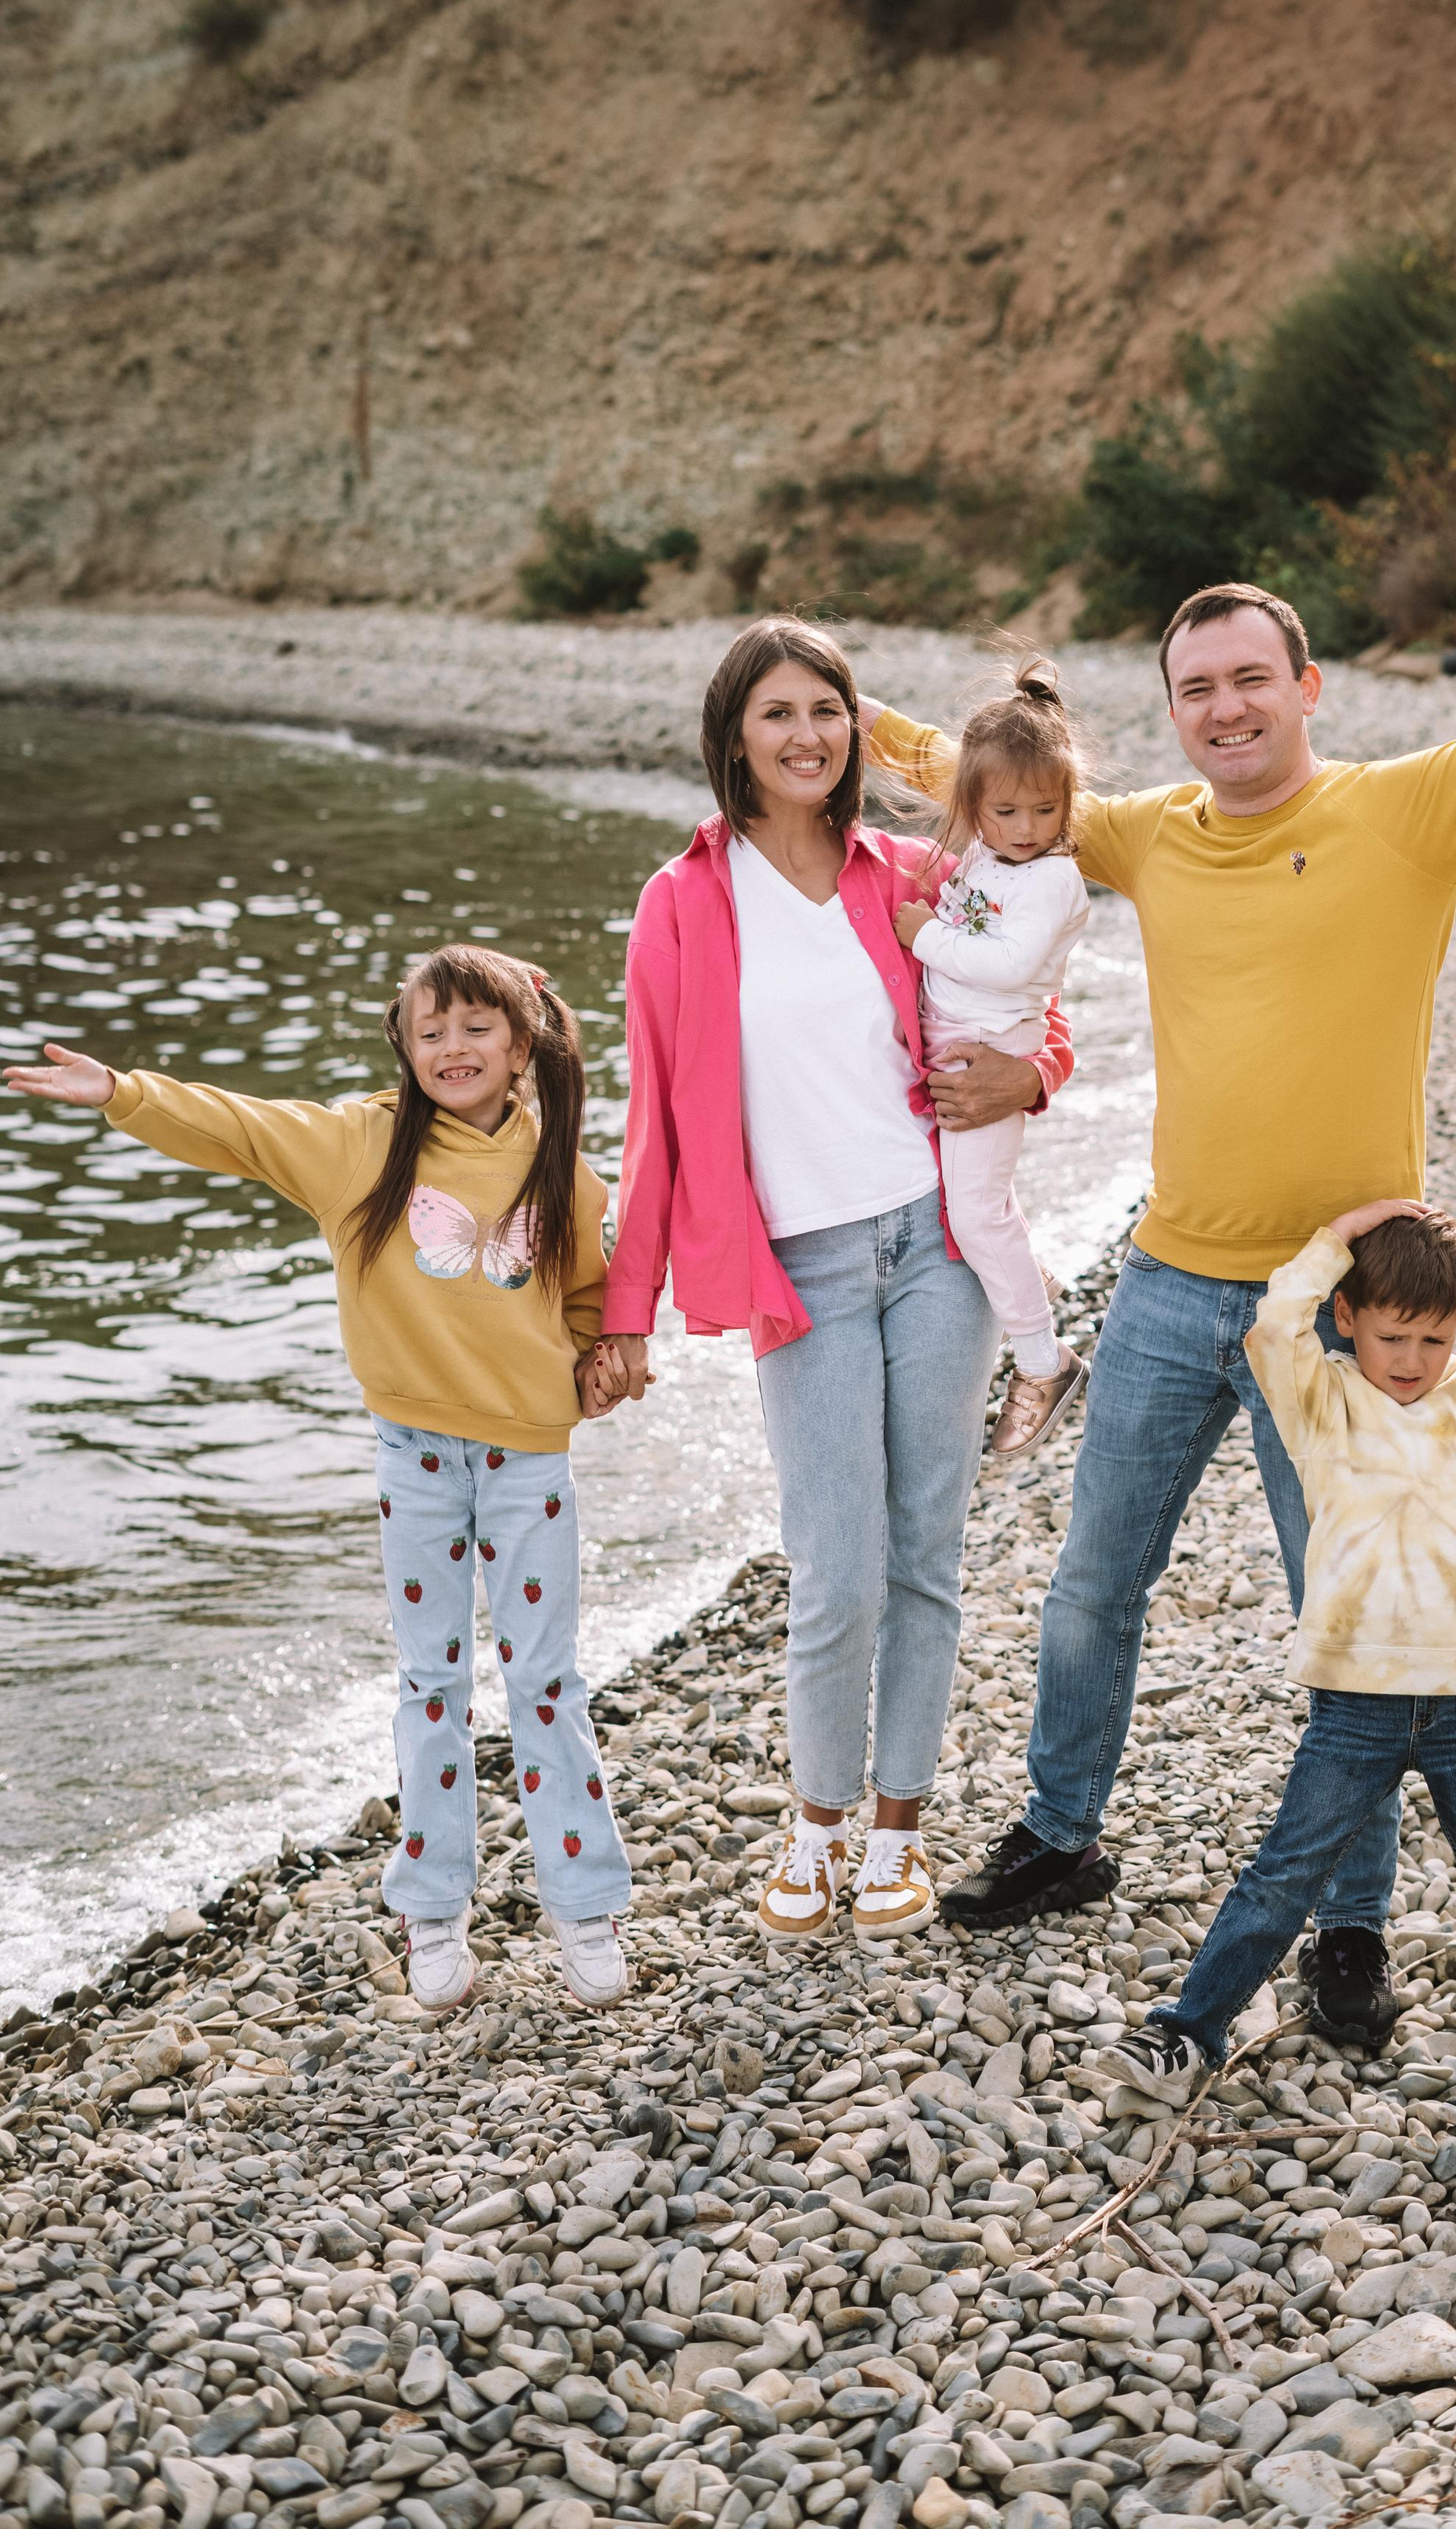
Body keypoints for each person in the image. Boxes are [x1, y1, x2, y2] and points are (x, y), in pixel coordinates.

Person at [860, 443, 1456, 2001]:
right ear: (1175, 709)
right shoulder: (1143, 836)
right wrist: (816, 705)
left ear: (1306, 685)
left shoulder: (1409, 813)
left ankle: (1350, 1924)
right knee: (1088, 1588)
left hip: (1333, 1318)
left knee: (1354, 1616)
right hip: (1168, 1285)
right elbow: (984, 785)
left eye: (1247, 679)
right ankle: (1061, 1833)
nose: (1223, 708)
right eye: (1194, 688)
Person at [3, 947, 631, 2014]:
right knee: (431, 1685)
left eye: (475, 1029)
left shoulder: (562, 1165)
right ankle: (432, 1914)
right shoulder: (362, 1143)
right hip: (415, 1459)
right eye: (428, 1033)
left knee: (545, 1683)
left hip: (531, 1457)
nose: (451, 1050)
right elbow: (240, 1127)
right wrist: (122, 1092)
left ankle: (587, 1909)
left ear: (520, 1044)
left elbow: (593, 1297)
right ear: (404, 1046)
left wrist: (606, 1357)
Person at [594, 617, 1074, 1947]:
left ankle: (899, 1835)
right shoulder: (682, 901)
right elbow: (652, 1125)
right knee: (833, 1564)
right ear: (733, 737)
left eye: (827, 710)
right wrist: (622, 1314)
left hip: (936, 1245)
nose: (806, 735)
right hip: (794, 1265)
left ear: (857, 730)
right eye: (777, 714)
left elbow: (1029, 1002)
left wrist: (1034, 1077)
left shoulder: (912, 868)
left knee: (924, 1553)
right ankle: (814, 1823)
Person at [1108, 1199, 1456, 2143]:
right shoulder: (1320, 1397)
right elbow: (1272, 1320)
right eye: (1392, 1334)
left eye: (1435, 1338)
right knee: (1282, 1875)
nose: (1412, 1359)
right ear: (1347, 1318)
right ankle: (1185, 2035)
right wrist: (1341, 1234)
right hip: (1354, 1699)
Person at [890, 657, 1093, 1458]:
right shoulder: (988, 855)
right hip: (955, 1043)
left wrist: (924, 936)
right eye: (1004, 810)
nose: (1025, 827)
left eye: (1045, 809)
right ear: (974, 807)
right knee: (968, 1199)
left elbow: (1006, 965)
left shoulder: (1051, 880)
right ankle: (1031, 1279)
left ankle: (1044, 1360)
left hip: (996, 1051)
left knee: (977, 1208)